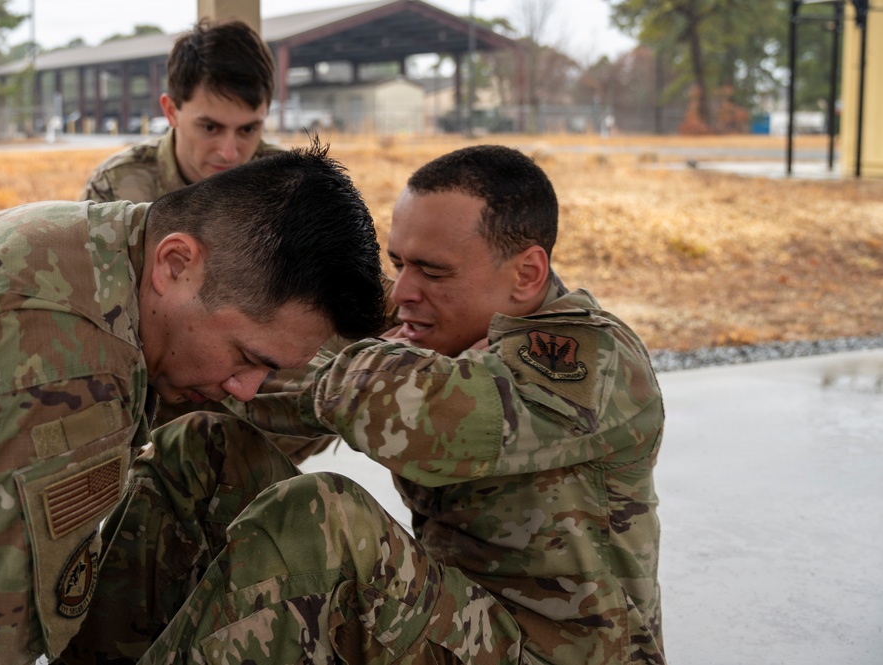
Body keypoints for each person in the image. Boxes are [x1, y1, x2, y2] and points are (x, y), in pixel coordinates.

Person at [60, 144, 665, 665]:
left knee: (324, 517)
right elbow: (270, 377)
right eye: (398, 263)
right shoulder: (431, 334)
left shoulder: (596, 362)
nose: (401, 292)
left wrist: (367, 371)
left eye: (432, 271)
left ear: (527, 274)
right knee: (197, 448)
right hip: (455, 624)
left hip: (549, 651)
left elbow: (433, 422)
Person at [0, 143, 386, 665]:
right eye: (245, 357)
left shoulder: (84, 243)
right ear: (176, 263)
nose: (246, 389)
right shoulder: (69, 371)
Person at [80, 18, 281, 204]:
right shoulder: (114, 189)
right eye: (210, 128)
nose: (229, 153)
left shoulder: (289, 183)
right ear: (171, 112)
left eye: (247, 130)